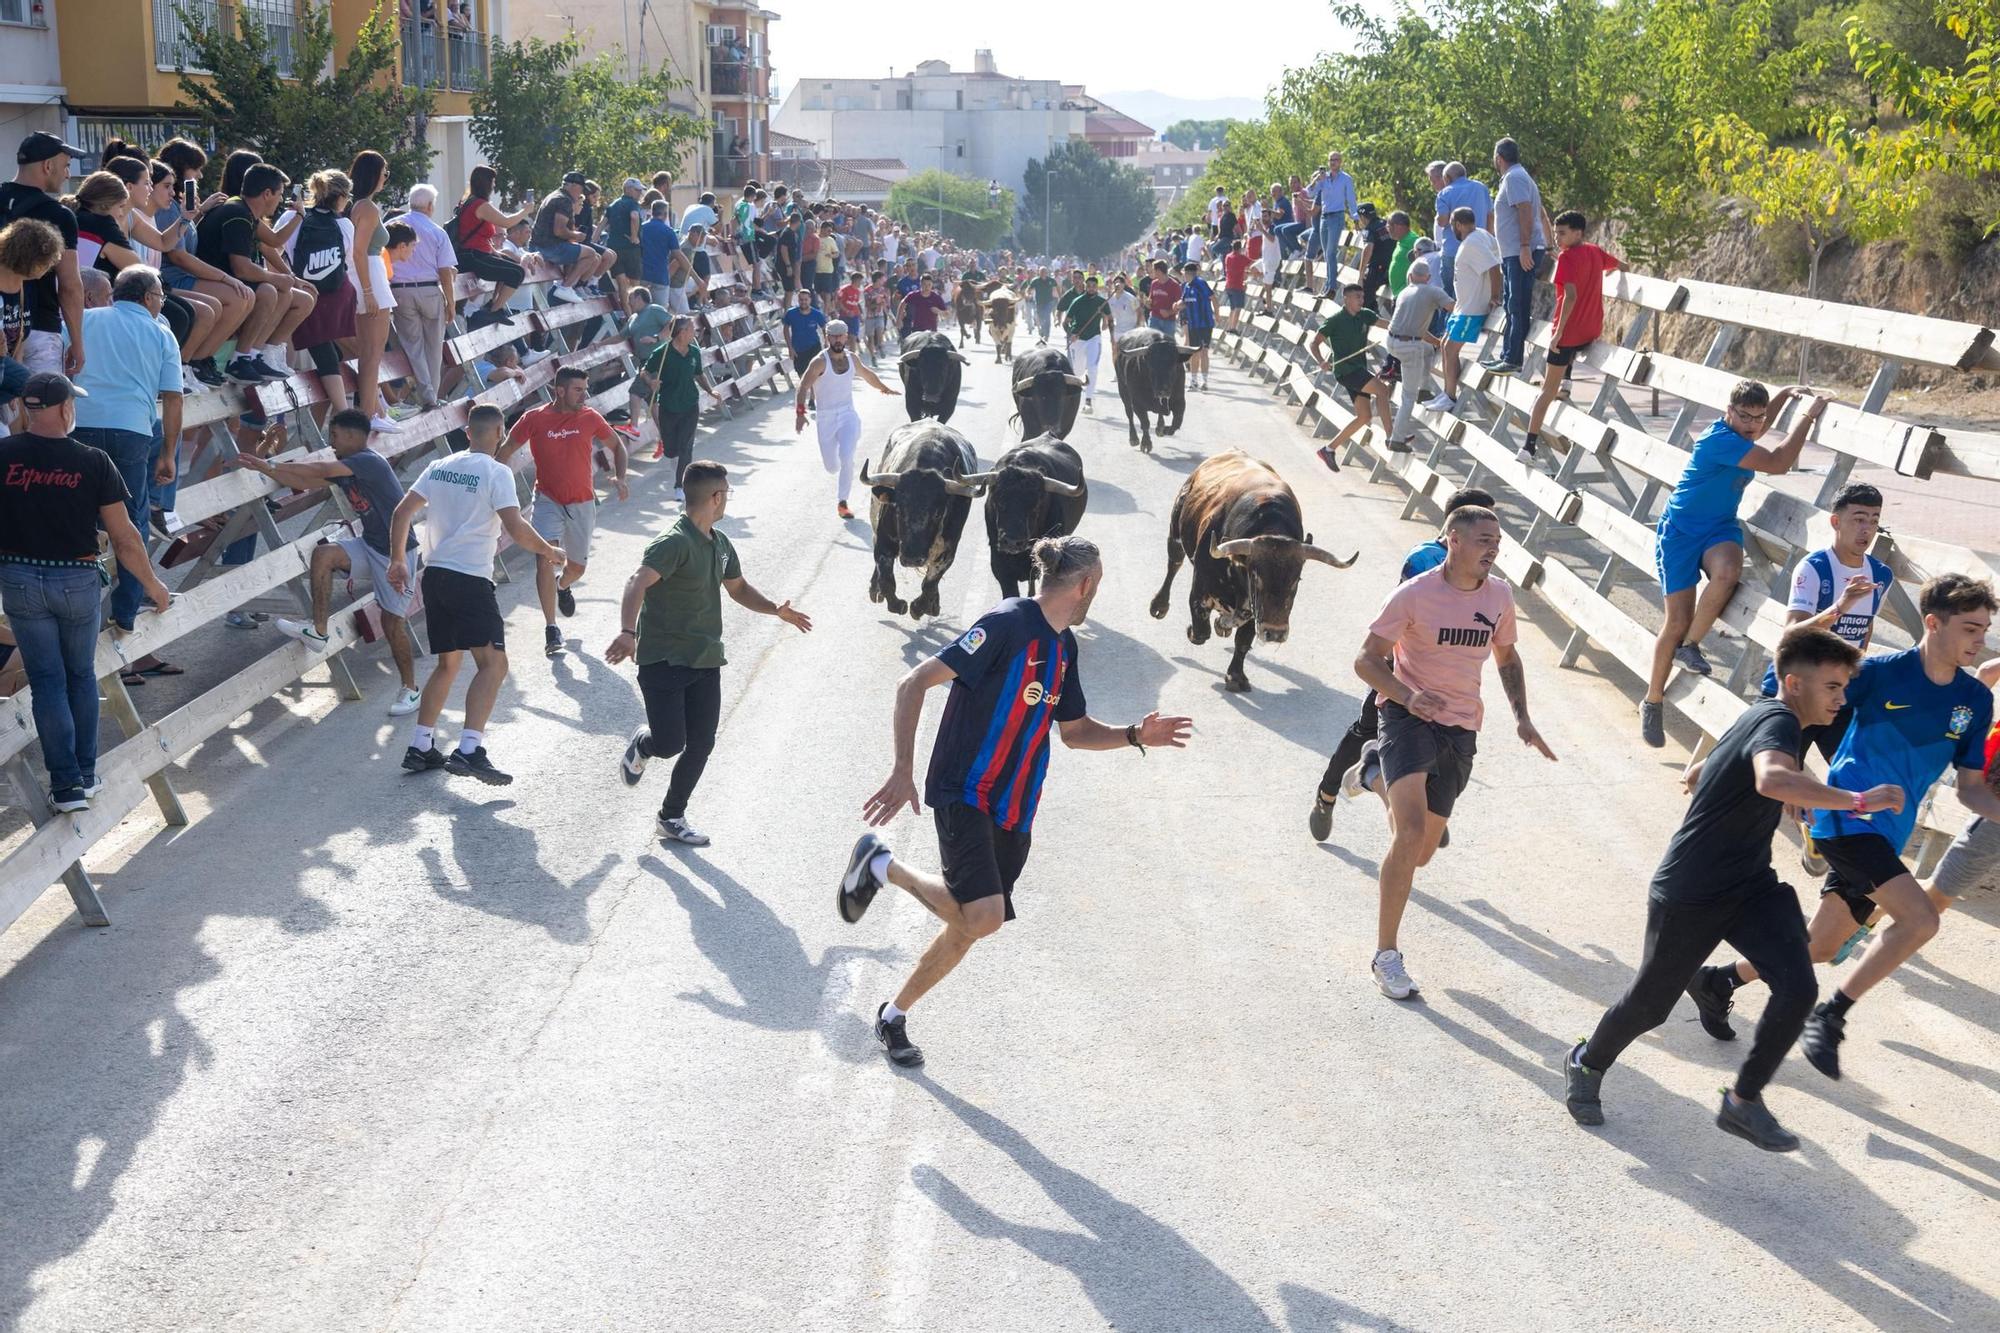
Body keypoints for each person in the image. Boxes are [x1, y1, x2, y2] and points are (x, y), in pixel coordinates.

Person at [837, 536, 1193, 1066]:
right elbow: (913, 683)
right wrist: (903, 769)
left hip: (1015, 804)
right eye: (1101, 581)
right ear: (1086, 583)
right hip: (966, 789)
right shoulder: (1006, 625)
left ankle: (893, 1014)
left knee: (972, 922)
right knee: (984, 915)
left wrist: (1135, 735)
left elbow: (1073, 731)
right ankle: (882, 864)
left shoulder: (1064, 647)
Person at [1566, 626, 1883, 1152]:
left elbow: (1747, 760)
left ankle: (1743, 1103)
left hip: (1751, 884)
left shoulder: (1778, 717)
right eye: (1832, 687)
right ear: (1794, 683)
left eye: (1844, 686)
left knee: (1799, 984)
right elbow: (1771, 778)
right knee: (1649, 1006)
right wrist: (1855, 801)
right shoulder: (1780, 719)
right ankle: (1587, 1059)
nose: (1841, 698)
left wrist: (1707, 771)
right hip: (1691, 889)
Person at [1695, 576, 1999, 1081]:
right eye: (1970, 628)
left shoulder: (1974, 700)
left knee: (1823, 945)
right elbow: (1794, 704)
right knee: (1921, 920)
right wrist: (1769, 769)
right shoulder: (1877, 673)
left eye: (1985, 631)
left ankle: (1719, 980)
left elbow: (1970, 791)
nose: (1979, 641)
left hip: (1889, 834)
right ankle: (1831, 1016)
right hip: (1846, 818)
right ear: (1932, 623)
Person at [1350, 505, 1557, 997]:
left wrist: (1522, 717)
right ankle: (1387, 956)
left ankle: (1372, 774)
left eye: (1498, 539)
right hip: (1407, 717)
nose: (1494, 547)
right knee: (1411, 834)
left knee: (1420, 854)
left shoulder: (1500, 596)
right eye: (1484, 539)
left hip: (1462, 727)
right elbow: (1365, 660)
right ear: (1453, 541)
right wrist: (1406, 696)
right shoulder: (1414, 595)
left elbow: (1506, 656)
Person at [606, 461, 812, 846]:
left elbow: (737, 588)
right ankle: (645, 744)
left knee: (701, 743)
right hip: (663, 659)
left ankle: (671, 816)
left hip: (705, 658)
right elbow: (637, 582)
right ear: (715, 497)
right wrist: (627, 632)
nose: (727, 499)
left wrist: (775, 610)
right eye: (727, 492)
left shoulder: (720, 544)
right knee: (670, 744)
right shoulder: (673, 542)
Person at [0, 373, 170, 810]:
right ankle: (85, 774)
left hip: (19, 578)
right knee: (79, 676)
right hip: (76, 581)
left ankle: (65, 785)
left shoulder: (4, 454)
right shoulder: (93, 460)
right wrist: (154, 586)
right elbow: (126, 537)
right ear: (64, 408)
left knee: (47, 682)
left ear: (25, 408)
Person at [1642, 382, 1830, 747]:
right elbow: (1778, 463)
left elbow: (1758, 425)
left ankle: (1691, 645)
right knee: (1676, 619)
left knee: (1729, 571)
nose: (1752, 424)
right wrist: (1809, 414)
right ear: (1728, 411)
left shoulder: (1742, 430)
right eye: (1744, 416)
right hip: (1680, 532)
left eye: (1758, 417)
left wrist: (1783, 396)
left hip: (1718, 527)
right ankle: (1652, 700)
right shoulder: (1719, 441)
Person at [387, 403, 565, 785]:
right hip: (470, 578)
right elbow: (516, 528)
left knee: (448, 665)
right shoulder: (497, 472)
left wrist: (398, 560)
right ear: (500, 432)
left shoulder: (439, 466)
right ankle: (469, 751)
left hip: (434, 577)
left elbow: (402, 512)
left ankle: (420, 746)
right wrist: (550, 551)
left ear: (467, 432)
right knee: (494, 665)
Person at [1309, 485, 1498, 841]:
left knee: (1439, 740)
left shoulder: (1481, 565)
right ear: (1458, 527)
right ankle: (1327, 795)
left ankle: (1421, 811)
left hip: (1445, 679)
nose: (1491, 538)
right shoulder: (1425, 557)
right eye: (1483, 526)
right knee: (1366, 730)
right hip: (1400, 668)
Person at [240, 408, 424, 715]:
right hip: (370, 546)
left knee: (392, 624)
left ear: (353, 436)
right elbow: (304, 478)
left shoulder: (368, 461)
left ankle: (410, 689)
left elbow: (314, 470)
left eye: (335, 436)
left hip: (397, 552)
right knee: (324, 554)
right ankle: (319, 630)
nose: (331, 442)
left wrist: (271, 463)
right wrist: (265, 468)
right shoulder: (348, 466)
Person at [70, 267, 183, 662]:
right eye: (162, 298)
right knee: (132, 524)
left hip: (79, 427)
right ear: (150, 297)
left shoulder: (84, 318)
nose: (161, 305)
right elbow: (173, 398)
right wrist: (168, 452)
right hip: (131, 432)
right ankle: (126, 615)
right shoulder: (161, 333)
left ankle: (77, 609)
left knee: (80, 523)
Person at [501, 366, 627, 660]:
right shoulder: (534, 418)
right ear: (559, 391)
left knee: (577, 568)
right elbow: (505, 452)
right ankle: (551, 628)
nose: (585, 395)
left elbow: (617, 446)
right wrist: (493, 488)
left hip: (582, 502)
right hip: (547, 499)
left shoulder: (590, 417)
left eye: (585, 389)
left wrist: (621, 476)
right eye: (578, 390)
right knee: (545, 559)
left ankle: (563, 586)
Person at [194, 163, 317, 383]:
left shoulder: (243, 209)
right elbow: (241, 267)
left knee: (302, 299)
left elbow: (275, 240)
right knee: (270, 290)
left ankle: (259, 355)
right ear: (267, 193)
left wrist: (299, 214)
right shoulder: (238, 213)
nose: (281, 199)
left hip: (230, 280)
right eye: (279, 194)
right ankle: (240, 360)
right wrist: (278, 278)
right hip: (212, 279)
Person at [1516, 211, 1621, 464]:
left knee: (1545, 392)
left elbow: (1570, 297)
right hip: (1592, 329)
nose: (1557, 237)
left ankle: (1528, 448)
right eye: (1555, 233)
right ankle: (1567, 382)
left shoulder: (1565, 258)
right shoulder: (1595, 251)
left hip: (1570, 334)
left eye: (1562, 233)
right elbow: (1619, 264)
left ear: (1578, 232)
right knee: (1560, 370)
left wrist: (1558, 333)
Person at [0, 132, 87, 376]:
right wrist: (77, 342)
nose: (68, 174)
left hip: (3, 323)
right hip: (41, 328)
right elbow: (70, 285)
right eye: (66, 166)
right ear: (48, 166)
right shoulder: (59, 215)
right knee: (45, 410)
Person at [794, 319, 897, 520]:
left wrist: (884, 388)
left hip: (848, 414)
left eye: (841, 335)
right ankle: (839, 470)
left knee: (847, 456)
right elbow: (803, 387)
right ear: (827, 337)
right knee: (832, 466)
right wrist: (800, 413)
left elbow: (868, 375)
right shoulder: (819, 362)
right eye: (833, 335)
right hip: (826, 418)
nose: (838, 339)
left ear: (847, 336)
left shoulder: (852, 359)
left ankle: (842, 502)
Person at [1483, 137, 1549, 376]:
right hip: (1512, 253)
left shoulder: (1515, 178)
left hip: (1521, 252)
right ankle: (1507, 354)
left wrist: (1523, 246)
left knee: (1517, 304)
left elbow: (1525, 211)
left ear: (1499, 157)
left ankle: (1514, 359)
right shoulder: (1513, 177)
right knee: (1512, 304)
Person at [1425, 208, 1503, 410]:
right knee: (1444, 344)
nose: (1452, 229)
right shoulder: (1483, 235)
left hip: (1472, 308)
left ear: (1458, 224)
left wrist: (1495, 296)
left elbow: (1495, 268)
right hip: (1462, 306)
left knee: (1450, 348)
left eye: (1452, 225)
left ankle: (1450, 397)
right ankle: (1447, 392)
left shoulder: (1472, 243)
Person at [389, 183, 457, 412]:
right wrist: (451, 301)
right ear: (429, 206)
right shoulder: (437, 231)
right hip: (429, 290)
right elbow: (446, 271)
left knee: (413, 347)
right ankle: (431, 397)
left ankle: (426, 394)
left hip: (399, 290)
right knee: (433, 348)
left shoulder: (390, 226)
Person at [345, 151, 397, 432]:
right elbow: (359, 251)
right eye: (384, 172)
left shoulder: (357, 205)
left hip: (369, 277)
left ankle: (373, 411)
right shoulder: (367, 207)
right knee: (371, 353)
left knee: (369, 352)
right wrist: (367, 291)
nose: (386, 178)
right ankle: (369, 416)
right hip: (370, 279)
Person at [1378, 257, 1451, 450]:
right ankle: (1397, 438)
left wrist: (1435, 343)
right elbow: (1454, 308)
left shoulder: (1404, 292)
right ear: (1428, 278)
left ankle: (1424, 388)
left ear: (1410, 276)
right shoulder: (1433, 291)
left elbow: (1416, 329)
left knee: (1427, 350)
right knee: (1408, 396)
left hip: (1393, 342)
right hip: (1410, 346)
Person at [1309, 284, 1383, 471]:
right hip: (1347, 371)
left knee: (1364, 416)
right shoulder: (1335, 320)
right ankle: (1392, 436)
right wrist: (1321, 361)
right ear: (1346, 299)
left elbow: (1387, 324)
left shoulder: (1365, 315)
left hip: (1358, 369)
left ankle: (1329, 449)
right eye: (1357, 296)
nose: (1361, 300)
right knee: (1383, 390)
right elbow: (1314, 343)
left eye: (1362, 296)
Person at [447, 166, 530, 329]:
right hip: (473, 256)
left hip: (476, 253)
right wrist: (525, 211)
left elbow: (479, 234)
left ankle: (493, 306)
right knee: (517, 272)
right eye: (492, 182)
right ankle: (493, 310)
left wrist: (494, 252)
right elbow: (506, 222)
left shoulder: (469, 201)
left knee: (509, 265)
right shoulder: (480, 205)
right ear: (485, 183)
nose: (494, 186)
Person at [637, 315, 708, 496]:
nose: (695, 331)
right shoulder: (662, 352)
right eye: (692, 329)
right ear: (682, 332)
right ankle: (673, 460)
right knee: (671, 450)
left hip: (690, 405)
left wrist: (710, 390)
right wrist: (650, 381)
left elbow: (699, 374)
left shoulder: (694, 352)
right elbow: (644, 371)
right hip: (668, 406)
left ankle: (680, 486)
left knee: (686, 447)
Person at [0, 218, 63, 412]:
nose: (50, 267)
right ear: (30, 258)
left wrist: (12, 388)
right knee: (43, 389)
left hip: (6, 365)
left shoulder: (26, 286)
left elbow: (19, 339)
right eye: (48, 261)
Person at [531, 172, 613, 302]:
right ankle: (566, 287)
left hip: (541, 244)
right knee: (590, 254)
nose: (582, 193)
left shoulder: (555, 195)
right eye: (581, 189)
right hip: (547, 247)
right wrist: (576, 235)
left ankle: (570, 287)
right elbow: (559, 230)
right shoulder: (564, 200)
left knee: (588, 254)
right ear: (574, 185)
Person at [1432, 161, 1492, 301]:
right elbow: (1491, 216)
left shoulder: (1444, 193)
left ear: (1446, 178)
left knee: (1448, 297)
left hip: (1452, 250)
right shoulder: (1481, 188)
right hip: (1479, 247)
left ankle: (1448, 322)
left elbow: (1443, 221)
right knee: (1473, 294)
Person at [1308, 150, 1358, 289]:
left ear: (1340, 162)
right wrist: (1316, 180)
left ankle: (1331, 286)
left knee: (1330, 252)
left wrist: (1355, 218)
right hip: (1324, 217)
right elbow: (1310, 192)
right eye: (1330, 160)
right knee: (1325, 253)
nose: (1332, 162)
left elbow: (1351, 199)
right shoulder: (1324, 178)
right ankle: (1328, 284)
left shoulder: (1346, 179)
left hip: (1337, 216)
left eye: (1335, 160)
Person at [1062, 274, 1111, 413]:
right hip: (1078, 340)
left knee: (1092, 367)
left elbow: (1109, 317)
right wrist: (1071, 335)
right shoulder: (1077, 301)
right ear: (1085, 286)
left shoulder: (1102, 302)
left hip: (1094, 338)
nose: (1091, 288)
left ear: (1097, 288)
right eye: (1089, 286)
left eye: (1094, 286)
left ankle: (1088, 400)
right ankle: (1079, 386)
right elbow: (1066, 322)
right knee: (1077, 371)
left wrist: (1106, 323)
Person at [604, 177, 646, 303]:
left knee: (622, 284)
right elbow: (634, 216)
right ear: (628, 190)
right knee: (635, 285)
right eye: (637, 190)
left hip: (614, 248)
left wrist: (594, 242)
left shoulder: (613, 205)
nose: (640, 194)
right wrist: (634, 236)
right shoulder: (633, 203)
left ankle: (628, 314)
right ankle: (637, 314)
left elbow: (602, 224)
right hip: (631, 249)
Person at [1177, 261, 1216, 391]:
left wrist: (1218, 314)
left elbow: (1213, 298)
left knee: (1204, 352)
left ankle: (1205, 382)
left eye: (1184, 273)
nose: (1183, 275)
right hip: (1193, 324)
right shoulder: (1187, 286)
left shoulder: (1201, 283)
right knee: (1194, 353)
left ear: (1188, 273)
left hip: (1205, 324)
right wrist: (1177, 305)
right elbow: (1184, 302)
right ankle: (1194, 382)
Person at [1353, 203, 1392, 314]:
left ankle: (1372, 318)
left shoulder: (1369, 230)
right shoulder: (1386, 224)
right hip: (1393, 266)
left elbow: (1368, 249)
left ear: (1363, 217)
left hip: (1379, 270)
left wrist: (1360, 275)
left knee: (1363, 295)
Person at [782, 287, 827, 376]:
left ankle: (814, 390)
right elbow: (786, 329)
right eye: (801, 299)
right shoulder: (791, 313)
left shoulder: (817, 314)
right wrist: (790, 348)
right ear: (798, 300)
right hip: (798, 349)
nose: (803, 302)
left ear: (810, 300)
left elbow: (824, 328)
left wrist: (826, 342)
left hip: (814, 347)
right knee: (801, 375)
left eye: (806, 299)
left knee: (815, 375)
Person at [1383, 211, 1419, 297]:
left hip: (1407, 294)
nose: (1388, 230)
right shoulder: (1401, 240)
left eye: (1389, 226)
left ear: (1398, 226)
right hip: (1399, 294)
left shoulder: (1413, 240)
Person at [1220, 239, 1251, 333]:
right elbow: (1251, 263)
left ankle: (1229, 327)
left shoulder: (1228, 257)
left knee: (1232, 308)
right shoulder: (1241, 257)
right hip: (1237, 286)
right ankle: (1233, 328)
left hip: (1228, 285)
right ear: (1240, 248)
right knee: (1238, 308)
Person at [1145, 260, 1181, 337]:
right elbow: (1150, 299)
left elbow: (1180, 305)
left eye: (1153, 270)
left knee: (1168, 345)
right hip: (1154, 319)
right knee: (1153, 344)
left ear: (1158, 271)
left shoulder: (1174, 285)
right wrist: (1148, 303)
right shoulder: (1154, 283)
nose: (1152, 272)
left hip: (1169, 322)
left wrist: (1169, 312)